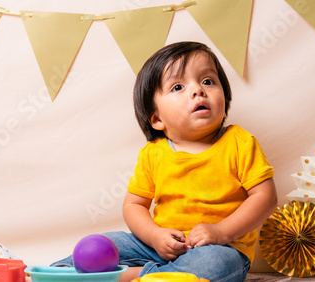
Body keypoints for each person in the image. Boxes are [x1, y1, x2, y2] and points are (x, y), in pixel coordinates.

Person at [52, 41, 277, 282]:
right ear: (157, 119)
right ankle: (63, 271)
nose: (198, 90)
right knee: (106, 244)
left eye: (208, 81)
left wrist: (221, 232)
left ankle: (136, 276)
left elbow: (265, 198)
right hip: (157, 246)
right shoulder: (153, 153)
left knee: (219, 264)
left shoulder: (239, 142)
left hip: (220, 247)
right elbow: (134, 205)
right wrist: (155, 236)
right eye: (178, 86)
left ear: (225, 101)